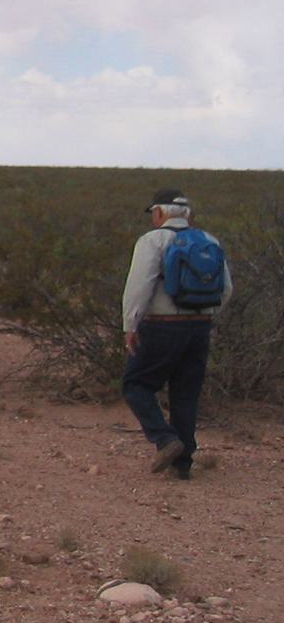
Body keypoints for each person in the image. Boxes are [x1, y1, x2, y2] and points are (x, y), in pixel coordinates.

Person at [121, 188, 232, 479]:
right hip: (200, 326)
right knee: (186, 392)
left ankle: (166, 440)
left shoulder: (152, 241)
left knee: (136, 384)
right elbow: (226, 289)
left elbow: (139, 285)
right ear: (188, 215)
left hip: (161, 325)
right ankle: (183, 464)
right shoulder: (209, 241)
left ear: (158, 213)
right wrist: (204, 316)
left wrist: (130, 325)